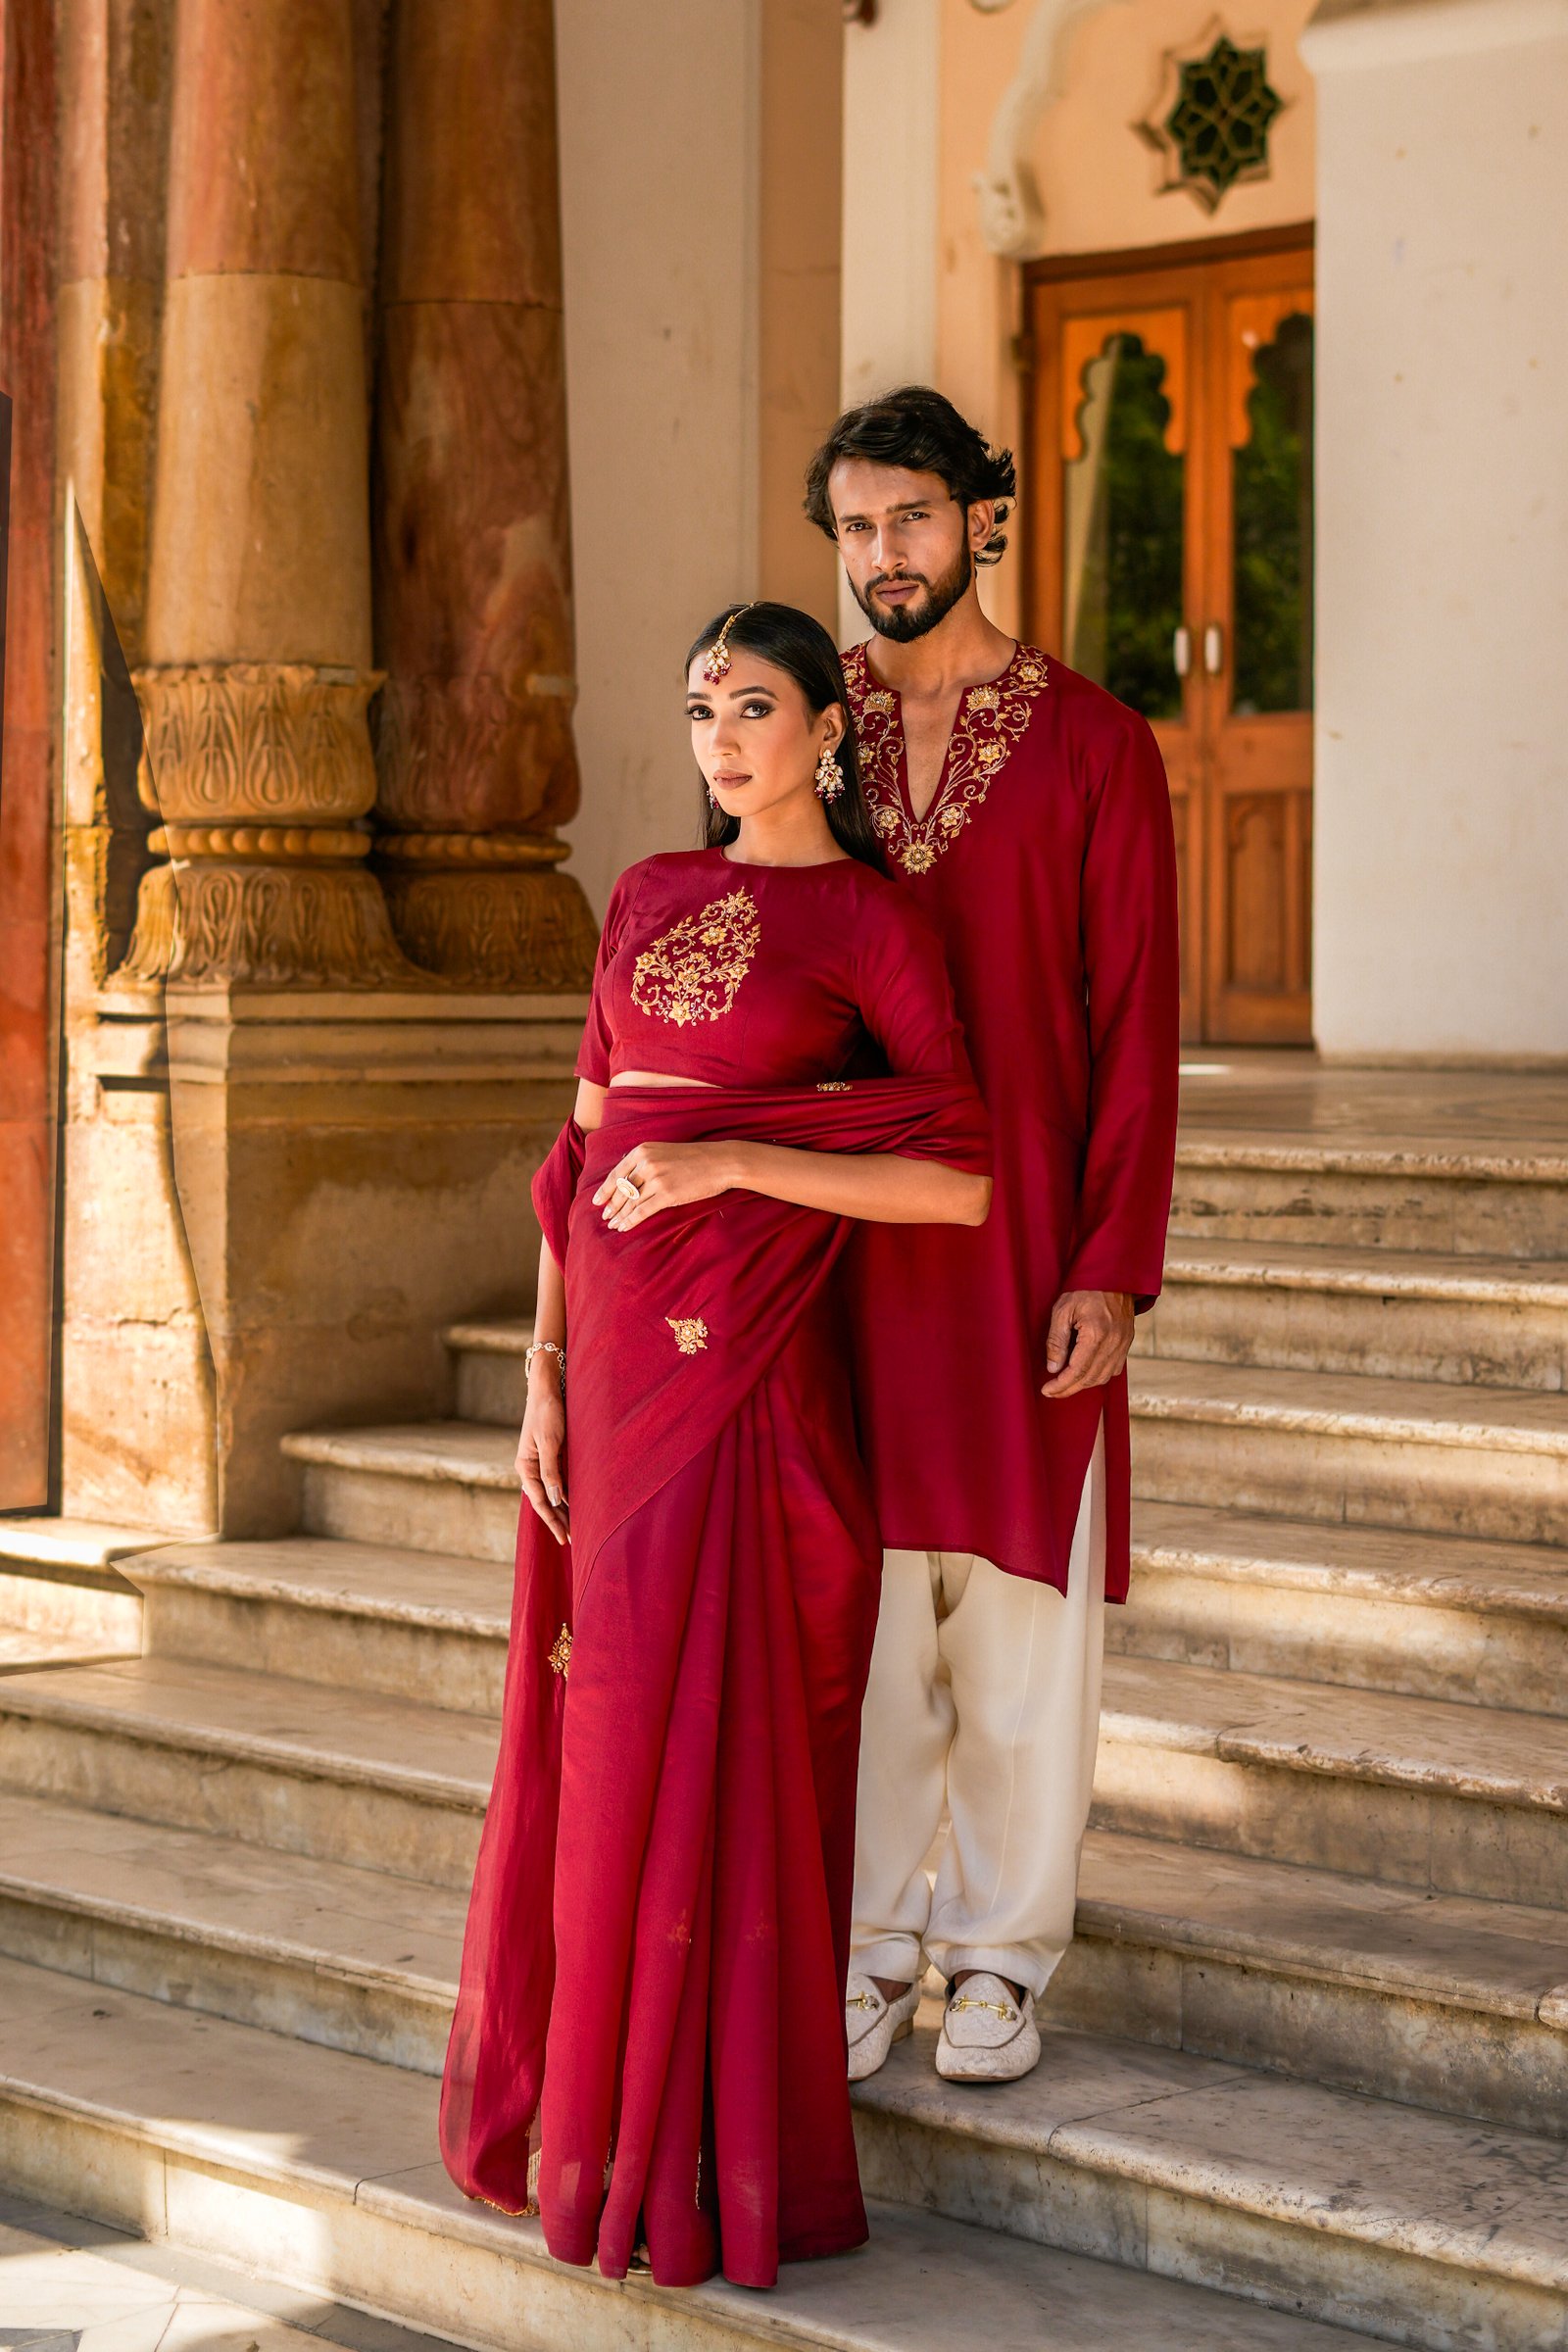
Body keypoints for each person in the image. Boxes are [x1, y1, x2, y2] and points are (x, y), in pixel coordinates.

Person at [439, 601, 991, 2289]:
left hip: (754, 1378)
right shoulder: (646, 895)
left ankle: (713, 2153)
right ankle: (600, 2140)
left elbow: (957, 1178)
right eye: (701, 710)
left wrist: (738, 1160)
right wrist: (539, 1369)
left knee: (730, 1742)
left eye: (755, 706)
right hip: (611, 1375)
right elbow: (583, 1145)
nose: (723, 739)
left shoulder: (870, 923)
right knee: (605, 1738)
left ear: (826, 727)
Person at [802, 385, 1180, 2084]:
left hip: (1030, 1240)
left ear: (981, 520)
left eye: (912, 517)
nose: (885, 552)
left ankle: (1002, 1958)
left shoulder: (1097, 744)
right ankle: (872, 1943)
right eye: (857, 526)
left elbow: (1136, 1019)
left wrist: (1112, 1261)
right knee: (871, 1623)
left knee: (1024, 1625)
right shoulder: (811, 736)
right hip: (851, 1245)